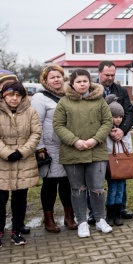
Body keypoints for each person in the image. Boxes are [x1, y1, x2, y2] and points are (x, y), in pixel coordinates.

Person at [52, 69, 113, 238]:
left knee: (97, 188)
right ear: (72, 84)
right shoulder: (64, 102)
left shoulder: (99, 100)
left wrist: (95, 139)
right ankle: (82, 222)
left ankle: (100, 219)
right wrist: (75, 141)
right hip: (73, 152)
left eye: (85, 81)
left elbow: (107, 122)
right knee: (78, 189)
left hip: (96, 150)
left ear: (90, 82)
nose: (82, 84)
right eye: (78, 81)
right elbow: (58, 125)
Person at [31, 65, 78, 233]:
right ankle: (49, 219)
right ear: (45, 80)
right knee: (50, 185)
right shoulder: (39, 97)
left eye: (59, 76)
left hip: (68, 147)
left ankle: (69, 217)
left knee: (67, 184)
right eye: (52, 77)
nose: (56, 80)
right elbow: (36, 124)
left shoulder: (69, 95)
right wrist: (40, 147)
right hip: (49, 148)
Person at [0, 81, 42, 246]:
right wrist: (7, 153)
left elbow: (36, 133)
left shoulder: (31, 112)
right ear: (4, 96)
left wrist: (21, 151)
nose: (14, 98)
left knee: (19, 199)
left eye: (18, 95)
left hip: (23, 160)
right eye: (10, 95)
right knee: (1, 199)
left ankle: (16, 231)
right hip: (2, 161)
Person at [98, 61, 133, 220]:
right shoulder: (94, 90)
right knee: (100, 176)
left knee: (121, 172)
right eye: (107, 75)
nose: (110, 78)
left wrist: (122, 129)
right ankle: (96, 213)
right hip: (101, 139)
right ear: (99, 73)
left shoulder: (120, 90)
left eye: (113, 75)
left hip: (120, 137)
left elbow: (128, 111)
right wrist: (107, 130)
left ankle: (120, 209)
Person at [104, 95, 133, 226]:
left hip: (123, 165)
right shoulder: (107, 132)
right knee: (112, 189)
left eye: (120, 117)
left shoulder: (124, 131)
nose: (118, 119)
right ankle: (110, 214)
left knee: (121, 189)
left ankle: (117, 213)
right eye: (115, 117)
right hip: (112, 164)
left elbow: (129, 146)